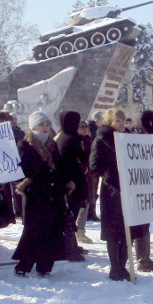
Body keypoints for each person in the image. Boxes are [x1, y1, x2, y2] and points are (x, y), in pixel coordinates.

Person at [12, 111, 72, 277]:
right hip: (37, 195)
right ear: (33, 126)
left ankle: (45, 266)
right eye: (41, 124)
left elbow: (60, 167)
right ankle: (24, 265)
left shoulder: (52, 144)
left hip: (54, 194)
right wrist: (28, 182)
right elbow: (20, 170)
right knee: (34, 231)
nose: (45, 128)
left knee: (52, 231)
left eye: (47, 124)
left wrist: (65, 183)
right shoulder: (25, 145)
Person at [90, 108, 143, 281]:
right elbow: (95, 165)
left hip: (130, 188)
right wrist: (112, 175)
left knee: (130, 229)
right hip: (113, 190)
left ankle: (123, 265)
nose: (120, 124)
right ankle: (115, 267)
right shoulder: (102, 140)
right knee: (114, 230)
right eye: (117, 121)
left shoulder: (129, 138)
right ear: (109, 122)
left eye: (122, 121)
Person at [130, 111, 153, 272]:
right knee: (138, 223)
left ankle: (144, 258)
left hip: (150, 184)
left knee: (145, 223)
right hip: (136, 186)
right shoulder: (131, 139)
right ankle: (140, 259)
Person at [54, 111, 88, 261]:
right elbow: (78, 158)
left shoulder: (61, 137)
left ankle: (72, 245)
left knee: (70, 215)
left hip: (69, 181)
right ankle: (69, 249)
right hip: (72, 182)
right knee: (70, 217)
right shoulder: (71, 139)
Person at [75, 120, 94, 243]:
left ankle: (81, 231)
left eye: (86, 126)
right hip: (78, 178)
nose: (85, 129)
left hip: (89, 177)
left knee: (86, 203)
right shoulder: (75, 141)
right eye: (82, 127)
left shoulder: (89, 140)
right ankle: (75, 232)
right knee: (79, 205)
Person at [87, 111, 103, 222]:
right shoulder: (92, 130)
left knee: (95, 190)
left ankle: (91, 212)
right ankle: (90, 212)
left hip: (95, 162)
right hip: (91, 164)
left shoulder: (97, 129)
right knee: (92, 190)